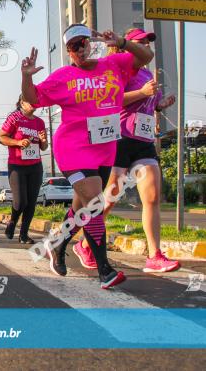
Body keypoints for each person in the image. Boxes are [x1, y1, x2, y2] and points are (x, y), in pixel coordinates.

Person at [21, 24, 153, 289]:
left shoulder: (114, 64)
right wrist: (26, 77)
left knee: (82, 210)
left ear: (92, 43)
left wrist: (123, 42)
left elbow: (145, 58)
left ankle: (58, 244)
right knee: (95, 204)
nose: (80, 49)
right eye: (73, 46)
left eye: (83, 42)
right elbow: (32, 98)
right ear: (69, 52)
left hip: (104, 149)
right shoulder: (63, 76)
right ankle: (104, 270)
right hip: (73, 148)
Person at [74, 28, 179, 273]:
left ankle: (155, 255)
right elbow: (112, 99)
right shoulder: (118, 69)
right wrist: (142, 93)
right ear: (127, 46)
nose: (146, 45)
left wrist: (160, 105)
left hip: (143, 140)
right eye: (141, 41)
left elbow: (149, 104)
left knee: (152, 197)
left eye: (148, 42)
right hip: (120, 139)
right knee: (109, 200)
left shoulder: (146, 73)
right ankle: (84, 244)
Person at [0, 96, 48, 243]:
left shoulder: (40, 122)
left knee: (31, 202)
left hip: (35, 166)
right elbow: (1, 138)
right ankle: (12, 221)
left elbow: (44, 147)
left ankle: (24, 235)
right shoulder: (14, 118)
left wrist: (43, 140)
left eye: (35, 102)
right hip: (17, 166)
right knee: (20, 202)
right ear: (21, 103)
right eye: (30, 102)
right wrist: (18, 142)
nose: (33, 104)